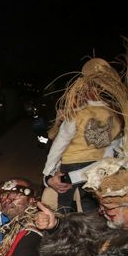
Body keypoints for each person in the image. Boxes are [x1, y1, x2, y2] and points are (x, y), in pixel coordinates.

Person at [42, 58, 123, 213]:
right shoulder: (114, 115)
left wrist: (47, 172)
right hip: (96, 167)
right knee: (90, 203)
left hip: (71, 164)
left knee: (64, 204)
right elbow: (113, 145)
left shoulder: (77, 114)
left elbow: (60, 143)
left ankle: (65, 228)